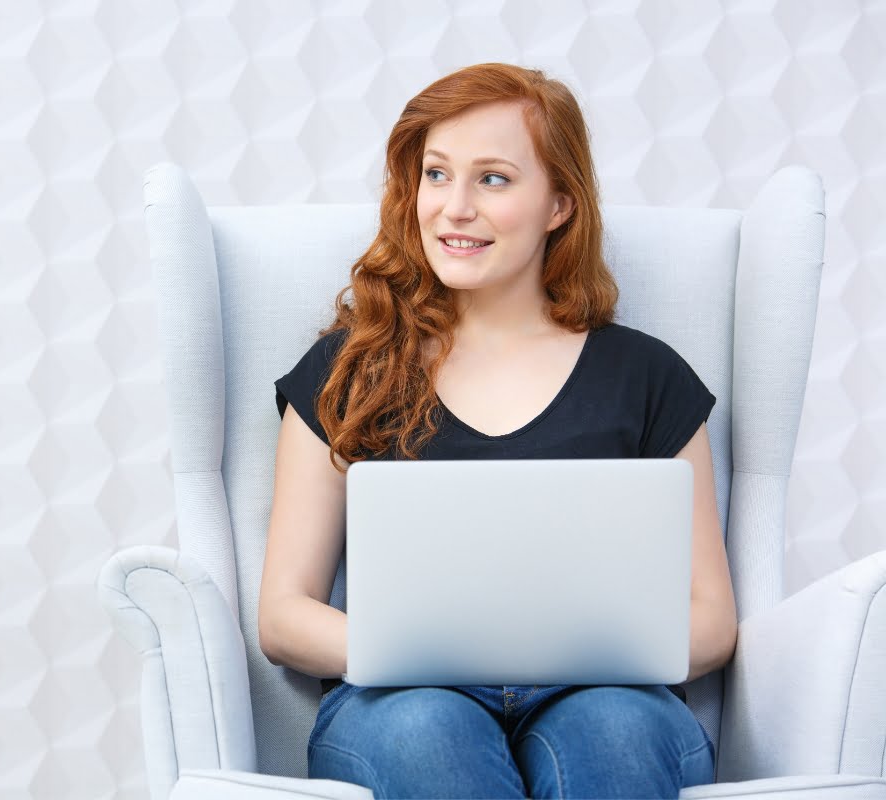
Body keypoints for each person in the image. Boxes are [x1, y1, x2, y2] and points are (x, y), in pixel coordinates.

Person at [258, 63, 738, 799]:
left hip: (604, 695)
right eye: (437, 174)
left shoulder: (647, 377)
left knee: (615, 731)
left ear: (559, 205)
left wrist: (568, 656)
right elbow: (284, 615)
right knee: (426, 733)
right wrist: (427, 653)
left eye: (493, 179)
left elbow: (711, 621)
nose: (453, 208)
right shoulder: (348, 369)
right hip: (404, 698)